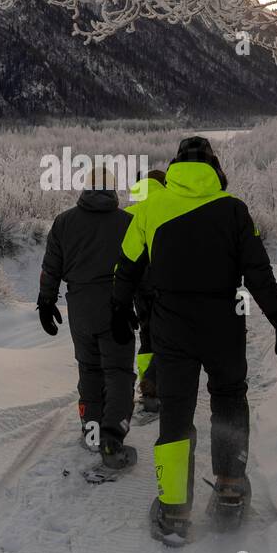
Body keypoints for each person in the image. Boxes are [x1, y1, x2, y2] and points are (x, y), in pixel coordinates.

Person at [111, 137, 277, 542]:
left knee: (176, 413)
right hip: (224, 326)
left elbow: (126, 268)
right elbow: (258, 272)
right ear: (214, 167)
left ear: (176, 166)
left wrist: (118, 312)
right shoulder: (234, 211)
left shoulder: (150, 208)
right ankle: (230, 490)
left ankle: (175, 510)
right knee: (229, 400)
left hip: (171, 329)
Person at [38, 167, 138, 470]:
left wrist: (46, 301)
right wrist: (147, 308)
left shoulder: (64, 222)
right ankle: (112, 438)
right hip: (116, 305)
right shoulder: (128, 222)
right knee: (118, 372)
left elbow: (51, 267)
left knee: (90, 369)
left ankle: (92, 430)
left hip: (79, 307)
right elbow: (141, 267)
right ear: (113, 190)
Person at [125, 169, 167, 413]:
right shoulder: (173, 210)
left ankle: (149, 390)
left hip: (139, 289)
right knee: (171, 338)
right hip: (169, 287)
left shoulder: (128, 215)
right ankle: (166, 386)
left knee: (147, 337)